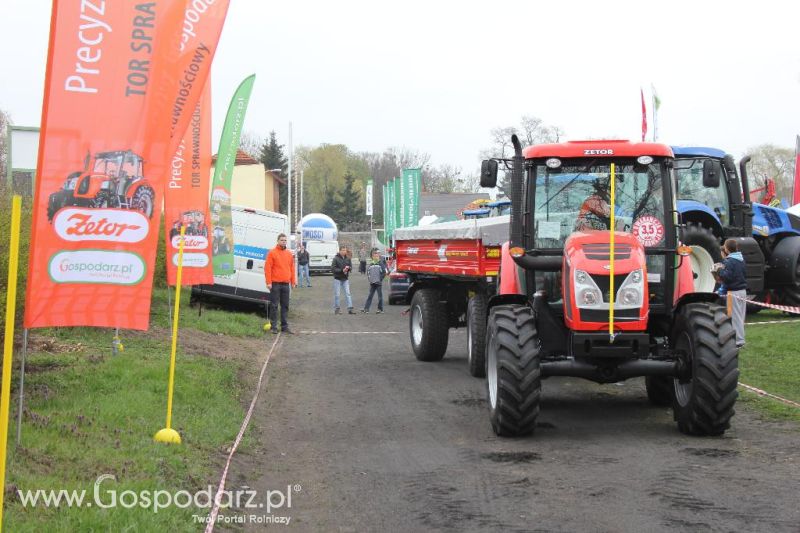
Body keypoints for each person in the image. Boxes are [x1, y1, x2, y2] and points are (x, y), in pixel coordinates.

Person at [714, 239, 747, 347]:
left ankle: (739, 341)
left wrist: (719, 270)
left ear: (727, 249)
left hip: (734, 292)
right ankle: (740, 339)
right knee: (740, 316)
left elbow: (727, 277)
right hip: (742, 291)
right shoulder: (741, 259)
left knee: (735, 317)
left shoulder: (729, 261)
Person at [264, 233, 296, 334]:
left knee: (285, 305)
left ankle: (284, 326)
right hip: (275, 284)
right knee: (274, 305)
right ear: (278, 241)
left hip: (286, 284)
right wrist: (268, 282)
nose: (284, 242)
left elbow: (292, 268)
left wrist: (293, 281)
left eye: (285, 240)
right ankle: (273, 326)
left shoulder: (289, 254)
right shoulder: (272, 253)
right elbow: (267, 268)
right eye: (282, 240)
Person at [362, 248, 387, 314]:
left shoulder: (381, 264)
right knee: (370, 296)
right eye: (374, 256)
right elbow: (368, 273)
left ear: (378, 257)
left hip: (378, 283)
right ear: (372, 257)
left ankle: (380, 309)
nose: (376, 257)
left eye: (377, 256)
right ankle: (366, 309)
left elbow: (384, 272)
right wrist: (370, 279)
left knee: (380, 297)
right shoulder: (371, 264)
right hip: (372, 283)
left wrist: (380, 279)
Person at [332, 244, 355, 314]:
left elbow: (351, 267)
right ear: (339, 251)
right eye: (343, 250)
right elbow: (333, 268)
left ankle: (350, 309)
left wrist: (348, 269)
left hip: (345, 279)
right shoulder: (335, 258)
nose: (344, 251)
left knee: (348, 294)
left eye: (345, 250)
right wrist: (342, 270)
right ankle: (337, 309)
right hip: (337, 279)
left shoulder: (348, 258)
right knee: (337, 295)